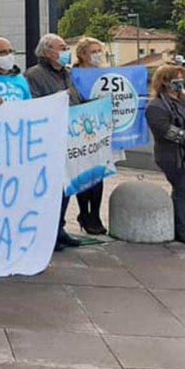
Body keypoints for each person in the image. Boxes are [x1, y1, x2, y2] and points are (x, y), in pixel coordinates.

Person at [25, 33, 84, 252]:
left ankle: (59, 228)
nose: (66, 51)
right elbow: (35, 103)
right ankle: (47, 231)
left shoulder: (67, 74)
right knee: (51, 188)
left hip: (70, 137)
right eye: (61, 47)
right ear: (47, 52)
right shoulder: (34, 75)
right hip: (49, 139)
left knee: (65, 187)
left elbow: (76, 98)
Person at [145, 65, 185, 246]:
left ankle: (182, 223)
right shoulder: (156, 106)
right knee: (183, 190)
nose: (180, 83)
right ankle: (182, 229)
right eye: (176, 80)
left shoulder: (184, 101)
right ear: (164, 81)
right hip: (173, 156)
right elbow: (165, 131)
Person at [71, 37, 110, 235]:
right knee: (83, 175)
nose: (97, 55)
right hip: (80, 129)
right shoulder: (72, 75)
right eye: (93, 51)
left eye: (99, 50)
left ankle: (95, 213)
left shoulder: (105, 74)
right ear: (82, 55)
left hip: (101, 129)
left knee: (99, 174)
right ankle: (84, 213)